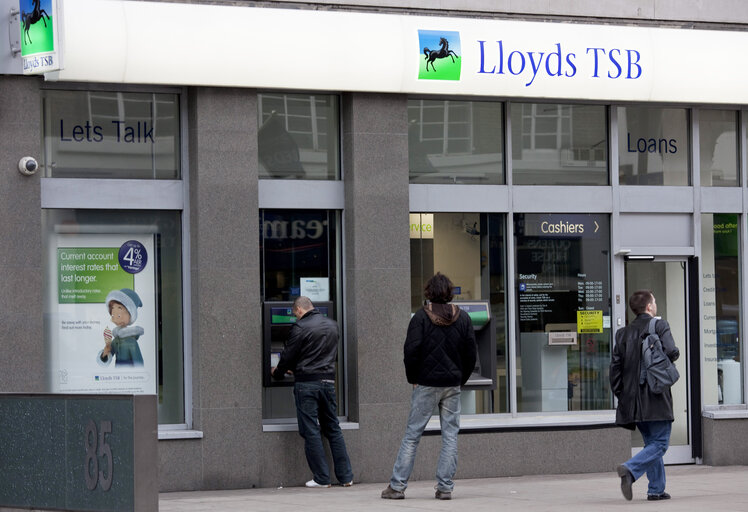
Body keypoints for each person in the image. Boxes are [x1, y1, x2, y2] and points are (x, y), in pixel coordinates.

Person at [381, 272, 477, 501]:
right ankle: (445, 488)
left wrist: (413, 378)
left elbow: (410, 352)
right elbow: (471, 355)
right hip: (451, 385)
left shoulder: (420, 318)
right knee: (450, 435)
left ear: (429, 293)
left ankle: (397, 487)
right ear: (450, 292)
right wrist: (459, 379)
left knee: (412, 435)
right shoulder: (463, 318)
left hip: (426, 383)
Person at [271, 296, 353, 488]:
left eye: (295, 313)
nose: (295, 317)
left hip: (307, 383)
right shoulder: (333, 325)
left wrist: (278, 373)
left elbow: (288, 356)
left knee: (311, 430)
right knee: (333, 428)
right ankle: (346, 477)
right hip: (328, 381)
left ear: (299, 309)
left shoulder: (300, 328)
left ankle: (322, 478)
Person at [610, 290, 680, 501]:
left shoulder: (622, 334)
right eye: (655, 301)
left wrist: (623, 394)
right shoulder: (659, 325)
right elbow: (672, 351)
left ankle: (656, 489)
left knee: (651, 443)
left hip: (632, 401)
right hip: (655, 397)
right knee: (660, 444)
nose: (656, 304)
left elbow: (615, 370)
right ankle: (630, 470)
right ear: (649, 307)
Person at [98, 288, 145, 367]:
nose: (114, 319)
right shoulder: (116, 341)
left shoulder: (132, 342)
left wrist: (138, 376)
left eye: (119, 315)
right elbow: (109, 355)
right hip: (119, 375)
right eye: (113, 315)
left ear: (131, 315)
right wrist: (104, 354)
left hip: (130, 376)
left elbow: (139, 363)